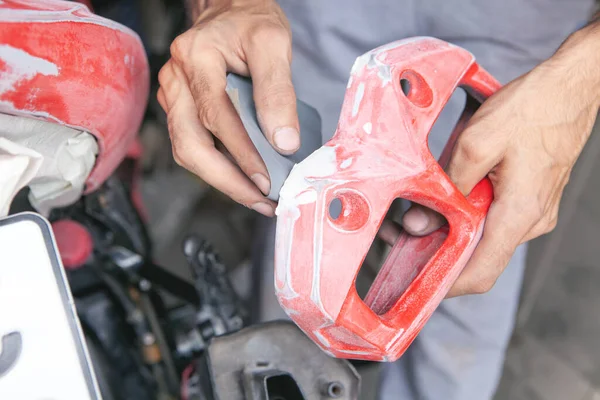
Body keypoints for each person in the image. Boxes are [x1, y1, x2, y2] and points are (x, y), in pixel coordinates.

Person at [157, 1, 600, 398]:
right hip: (322, 17)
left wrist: (584, 73)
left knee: (477, 257)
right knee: (299, 224)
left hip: (521, 23)